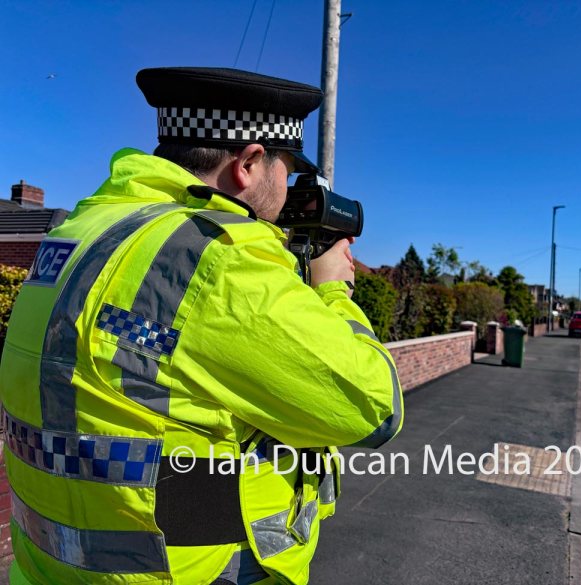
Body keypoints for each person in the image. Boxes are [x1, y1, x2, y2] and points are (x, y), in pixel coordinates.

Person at [0, 67, 403, 585]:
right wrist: (330, 290)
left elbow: (149, 370)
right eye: (286, 169)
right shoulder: (219, 262)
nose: (288, 189)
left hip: (48, 568)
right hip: (189, 571)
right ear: (250, 164)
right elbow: (375, 408)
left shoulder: (83, 231)